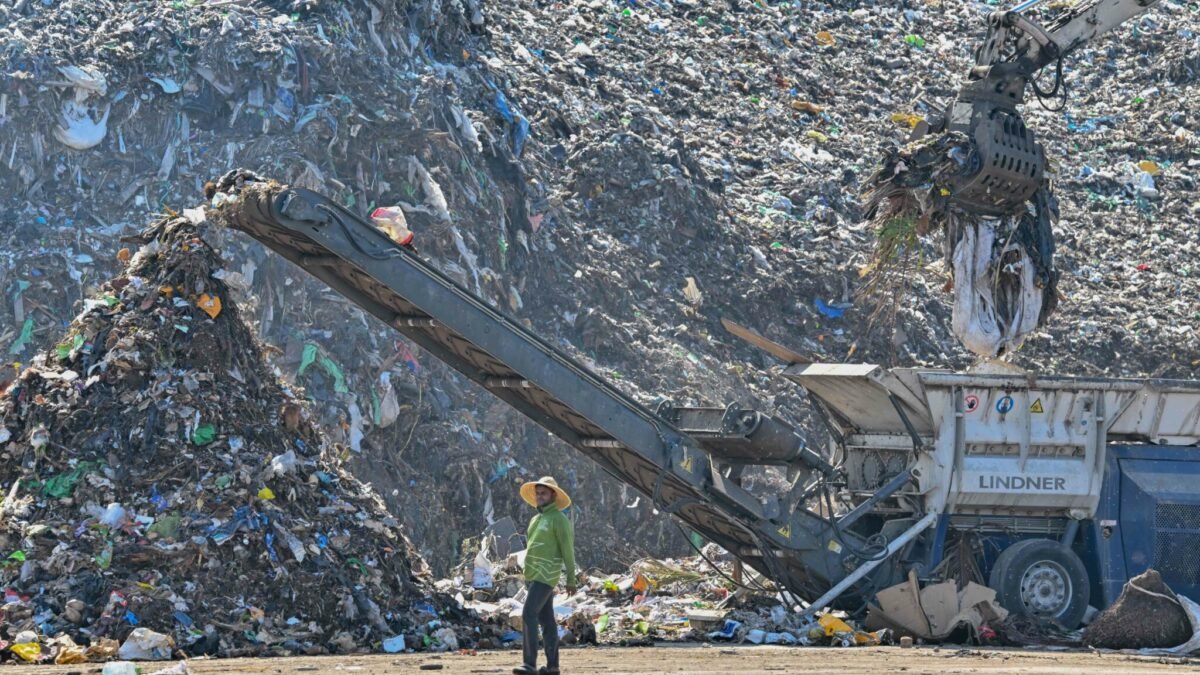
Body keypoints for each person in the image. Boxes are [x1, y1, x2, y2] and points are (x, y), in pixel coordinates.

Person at [514, 476, 576, 675]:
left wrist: (571, 579)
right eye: (538, 493)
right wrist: (526, 576)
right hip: (533, 576)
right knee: (547, 621)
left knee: (528, 613)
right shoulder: (535, 519)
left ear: (553, 495)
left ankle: (529, 664)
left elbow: (567, 550)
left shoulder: (559, 519)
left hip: (547, 575)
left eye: (544, 493)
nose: (540, 496)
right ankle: (552, 667)